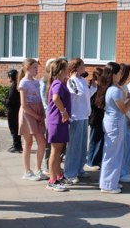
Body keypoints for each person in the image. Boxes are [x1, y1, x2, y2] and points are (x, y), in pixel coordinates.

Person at [96, 62, 130, 194]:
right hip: (115, 123)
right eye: (119, 73)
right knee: (112, 154)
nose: (121, 75)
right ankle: (108, 185)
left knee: (115, 153)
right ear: (113, 74)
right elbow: (123, 109)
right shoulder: (114, 90)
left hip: (114, 122)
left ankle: (111, 181)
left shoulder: (114, 88)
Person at [64, 58, 97, 184]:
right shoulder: (71, 81)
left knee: (83, 145)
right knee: (74, 146)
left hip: (84, 116)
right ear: (76, 67)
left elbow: (87, 94)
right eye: (83, 65)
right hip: (75, 117)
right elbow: (77, 92)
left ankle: (79, 169)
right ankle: (69, 173)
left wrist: (93, 85)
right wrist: (73, 77)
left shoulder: (82, 80)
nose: (85, 67)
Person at [18, 58, 47, 181]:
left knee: (42, 143)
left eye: (37, 67)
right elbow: (24, 105)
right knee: (28, 143)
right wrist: (36, 116)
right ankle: (27, 171)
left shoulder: (36, 82)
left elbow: (40, 98)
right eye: (35, 67)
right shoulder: (23, 83)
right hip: (28, 114)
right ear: (27, 68)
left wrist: (42, 113)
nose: (37, 70)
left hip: (37, 113)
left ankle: (38, 169)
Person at [45, 58, 71, 191]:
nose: (69, 70)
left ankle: (58, 176)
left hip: (59, 122)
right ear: (61, 70)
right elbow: (56, 98)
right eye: (67, 67)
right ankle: (52, 180)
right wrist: (64, 112)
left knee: (58, 151)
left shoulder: (60, 83)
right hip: (56, 121)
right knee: (55, 152)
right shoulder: (57, 84)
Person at [118, 63, 130, 182]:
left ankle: (125, 170)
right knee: (124, 148)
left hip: (127, 119)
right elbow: (124, 107)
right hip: (123, 119)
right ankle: (121, 173)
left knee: (129, 147)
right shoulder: (119, 88)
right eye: (129, 72)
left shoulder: (124, 86)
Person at [40, 58, 56, 174]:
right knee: (49, 139)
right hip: (49, 112)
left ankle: (55, 164)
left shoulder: (57, 80)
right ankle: (46, 165)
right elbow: (43, 98)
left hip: (56, 112)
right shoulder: (44, 80)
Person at [87, 67, 103, 169]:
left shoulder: (100, 87)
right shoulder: (92, 87)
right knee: (94, 139)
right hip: (95, 116)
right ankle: (91, 161)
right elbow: (92, 102)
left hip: (100, 116)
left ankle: (96, 160)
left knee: (99, 139)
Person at [4, 69, 23, 153]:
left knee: (13, 128)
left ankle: (17, 145)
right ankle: (17, 144)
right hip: (17, 109)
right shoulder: (18, 84)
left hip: (12, 111)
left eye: (8, 76)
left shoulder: (13, 86)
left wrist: (4, 101)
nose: (7, 78)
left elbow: (10, 99)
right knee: (16, 127)